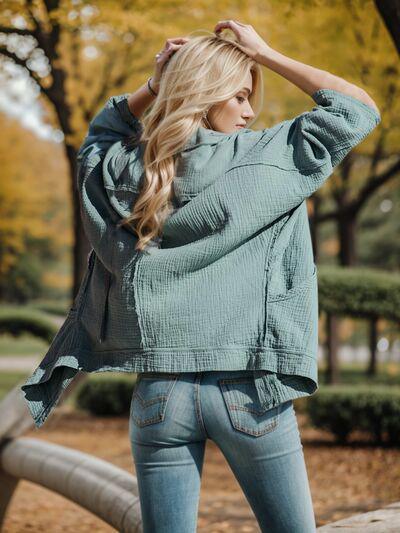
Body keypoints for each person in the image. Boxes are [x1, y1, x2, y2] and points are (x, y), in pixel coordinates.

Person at [20, 19, 381, 533]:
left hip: (160, 395)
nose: (251, 110)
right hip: (250, 390)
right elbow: (358, 107)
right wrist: (267, 52)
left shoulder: (129, 170)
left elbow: (96, 141)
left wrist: (152, 85)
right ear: (205, 93)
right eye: (239, 96)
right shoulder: (271, 158)